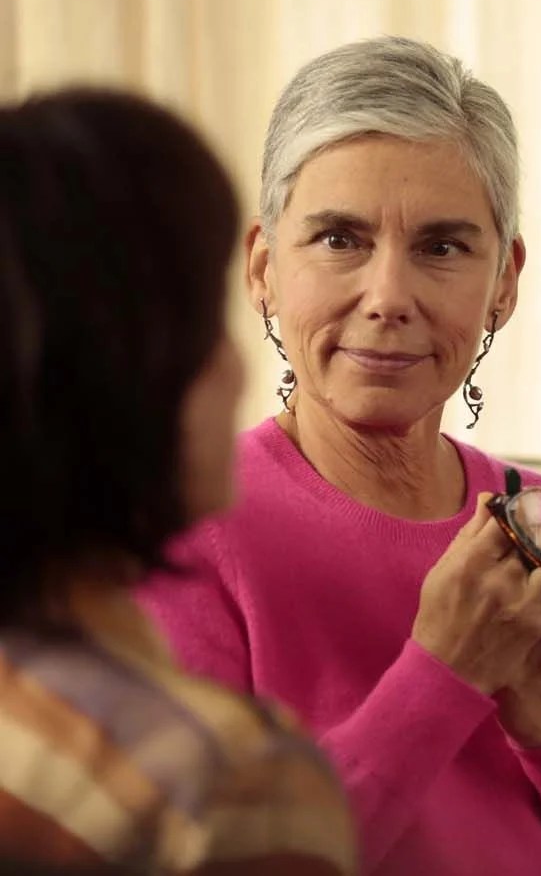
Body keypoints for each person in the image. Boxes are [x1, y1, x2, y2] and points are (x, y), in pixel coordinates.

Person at [138, 37, 541, 876]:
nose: (388, 297)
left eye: (442, 247)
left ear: (504, 281)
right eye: (339, 238)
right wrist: (445, 671)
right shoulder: (180, 530)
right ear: (264, 267)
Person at [0, 90, 356, 874]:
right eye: (205, 322)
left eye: (444, 245)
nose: (236, 367)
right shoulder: (225, 786)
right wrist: (442, 675)